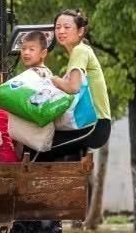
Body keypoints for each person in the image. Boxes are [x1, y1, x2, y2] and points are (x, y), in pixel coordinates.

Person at [40, 9, 113, 161]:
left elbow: (73, 87)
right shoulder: (81, 51)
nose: (61, 31)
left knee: (38, 147)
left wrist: (52, 79)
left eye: (67, 27)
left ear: (80, 31)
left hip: (94, 125)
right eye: (58, 27)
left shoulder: (80, 51)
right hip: (91, 124)